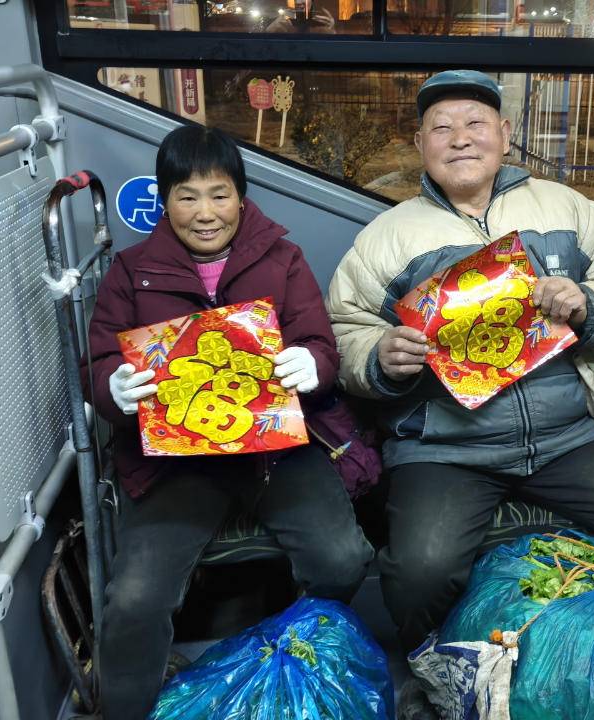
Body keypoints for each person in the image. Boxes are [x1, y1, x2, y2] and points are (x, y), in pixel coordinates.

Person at [326, 70, 594, 652]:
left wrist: (588, 303)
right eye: (441, 128)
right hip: (446, 447)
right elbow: (344, 329)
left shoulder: (566, 208)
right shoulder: (386, 237)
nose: (460, 138)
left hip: (567, 434)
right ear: (420, 144)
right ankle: (437, 666)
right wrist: (379, 355)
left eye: (475, 123)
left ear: (504, 132)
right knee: (420, 574)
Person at [83, 125, 373, 720]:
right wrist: (113, 386)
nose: (205, 212)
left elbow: (321, 345)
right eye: (187, 196)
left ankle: (286, 671)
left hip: (275, 453)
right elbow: (99, 362)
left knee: (343, 559)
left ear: (241, 197)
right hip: (174, 465)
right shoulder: (130, 271)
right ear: (165, 201)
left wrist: (311, 364)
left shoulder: (283, 259)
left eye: (219, 194)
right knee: (134, 600)